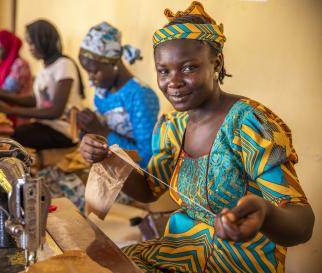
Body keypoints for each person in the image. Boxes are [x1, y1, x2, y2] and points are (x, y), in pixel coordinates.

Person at [79, 2, 314, 272]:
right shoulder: (172, 127)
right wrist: (105, 158)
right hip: (179, 252)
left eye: (189, 68)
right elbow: (147, 191)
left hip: (238, 263)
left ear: (217, 64)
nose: (173, 82)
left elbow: (302, 224)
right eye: (163, 71)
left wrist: (265, 213)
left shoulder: (249, 125)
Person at [0, 19, 85, 150]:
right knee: (8, 134)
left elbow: (55, 111)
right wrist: (2, 97)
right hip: (46, 126)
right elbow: (36, 100)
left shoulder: (64, 65)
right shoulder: (46, 67)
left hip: (63, 130)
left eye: (31, 43)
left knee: (12, 139)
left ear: (43, 41)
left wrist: (11, 110)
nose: (29, 48)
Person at [78, 22, 160, 168]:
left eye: (94, 71)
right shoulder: (102, 90)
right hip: (108, 168)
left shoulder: (140, 95)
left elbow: (147, 157)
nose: (90, 78)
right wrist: (86, 130)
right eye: (87, 71)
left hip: (135, 177)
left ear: (114, 63)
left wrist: (100, 130)